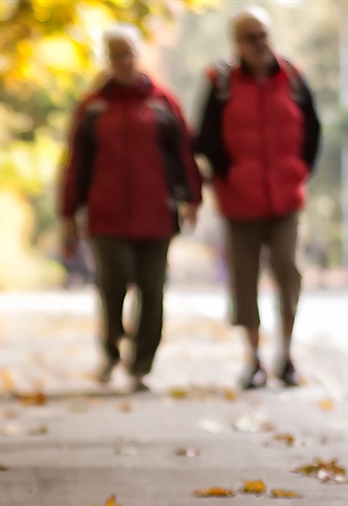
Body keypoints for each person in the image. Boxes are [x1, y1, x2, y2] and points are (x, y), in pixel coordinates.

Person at [59, 23, 202, 392]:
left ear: (140, 55)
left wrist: (192, 198)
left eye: (129, 53)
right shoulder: (93, 107)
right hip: (106, 214)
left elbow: (183, 154)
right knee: (113, 284)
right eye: (116, 55)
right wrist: (68, 213)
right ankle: (110, 349)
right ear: (108, 60)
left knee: (153, 290)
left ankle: (141, 365)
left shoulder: (162, 102)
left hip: (156, 212)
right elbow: (75, 164)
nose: (124, 61)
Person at [195, 7, 321, 389]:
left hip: (286, 199)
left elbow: (313, 131)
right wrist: (228, 177)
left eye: (263, 34)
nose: (259, 43)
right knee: (244, 280)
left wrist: (300, 171)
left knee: (287, 270)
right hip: (239, 202)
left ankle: (287, 355)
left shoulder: (293, 78)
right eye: (250, 37)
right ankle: (253, 360)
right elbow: (205, 138)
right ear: (237, 44)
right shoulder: (221, 83)